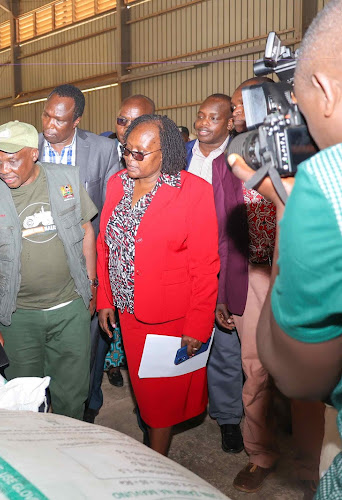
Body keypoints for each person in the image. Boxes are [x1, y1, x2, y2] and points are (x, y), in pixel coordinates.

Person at [228, 4, 342, 497]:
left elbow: (300, 370)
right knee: (254, 375)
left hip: (283, 283)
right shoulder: (241, 157)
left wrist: (284, 204)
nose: (239, 118)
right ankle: (265, 451)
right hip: (257, 274)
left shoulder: (322, 182)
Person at [97, 114, 219, 456]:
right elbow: (105, 245)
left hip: (169, 314)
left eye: (141, 153)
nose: (129, 159)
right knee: (142, 387)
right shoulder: (116, 183)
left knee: (160, 397)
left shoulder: (194, 192)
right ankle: (152, 442)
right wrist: (105, 296)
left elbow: (206, 265)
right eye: (127, 150)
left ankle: (156, 460)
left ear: (165, 154)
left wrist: (198, 324)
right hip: (127, 309)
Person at [0, 121, 98, 420]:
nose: (4, 169)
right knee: (23, 399)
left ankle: (69, 449)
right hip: (19, 317)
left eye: (13, 160)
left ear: (34, 153)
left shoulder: (66, 180)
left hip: (69, 310)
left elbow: (85, 231)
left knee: (72, 394)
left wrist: (91, 284)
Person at [39, 83, 121, 423]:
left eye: (59, 119)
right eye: (46, 115)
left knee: (85, 346)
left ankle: (85, 407)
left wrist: (101, 273)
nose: (49, 125)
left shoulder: (102, 150)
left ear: (77, 120)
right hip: (39, 266)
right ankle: (43, 405)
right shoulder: (29, 147)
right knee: (41, 345)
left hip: (86, 264)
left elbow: (111, 212)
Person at [185, 94, 245, 454]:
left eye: (212, 118)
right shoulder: (179, 155)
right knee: (185, 341)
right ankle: (183, 408)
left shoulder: (237, 158)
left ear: (227, 123)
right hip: (185, 264)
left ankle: (227, 418)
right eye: (200, 115)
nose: (203, 123)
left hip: (224, 264)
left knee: (225, 347)